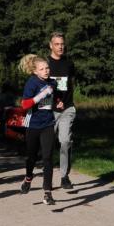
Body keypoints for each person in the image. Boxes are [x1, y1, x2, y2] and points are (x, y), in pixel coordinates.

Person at [18, 54, 59, 206]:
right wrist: (41, 95)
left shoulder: (53, 83)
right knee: (31, 157)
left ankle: (47, 193)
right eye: (42, 69)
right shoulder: (32, 83)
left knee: (48, 157)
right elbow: (24, 105)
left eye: (47, 68)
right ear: (35, 71)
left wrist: (58, 102)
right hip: (33, 124)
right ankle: (28, 178)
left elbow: (54, 98)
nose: (46, 71)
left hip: (48, 124)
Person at [47, 31, 77, 191]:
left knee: (65, 142)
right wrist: (53, 102)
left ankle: (64, 176)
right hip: (49, 111)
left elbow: (70, 84)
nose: (60, 47)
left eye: (62, 44)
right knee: (48, 145)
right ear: (51, 45)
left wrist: (66, 102)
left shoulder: (69, 64)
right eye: (57, 44)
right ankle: (48, 178)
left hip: (67, 109)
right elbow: (42, 88)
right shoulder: (45, 64)